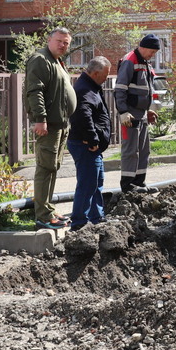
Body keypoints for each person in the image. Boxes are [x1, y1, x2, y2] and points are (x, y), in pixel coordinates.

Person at [24, 27, 77, 229]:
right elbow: (34, 91)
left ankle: (48, 208)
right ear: (49, 40)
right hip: (49, 125)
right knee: (45, 168)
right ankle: (43, 217)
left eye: (66, 43)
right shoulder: (40, 59)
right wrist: (40, 119)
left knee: (53, 166)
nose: (63, 45)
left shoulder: (56, 61)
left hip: (60, 124)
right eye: (60, 41)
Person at [67, 56, 113, 230]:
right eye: (105, 75)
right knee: (87, 184)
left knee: (96, 182)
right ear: (95, 73)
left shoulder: (92, 86)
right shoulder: (84, 90)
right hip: (85, 144)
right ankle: (79, 223)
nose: (107, 78)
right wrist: (93, 139)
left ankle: (96, 218)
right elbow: (82, 116)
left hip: (91, 145)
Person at [114, 34, 160, 191]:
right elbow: (120, 88)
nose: (152, 55)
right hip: (131, 113)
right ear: (144, 47)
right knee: (131, 150)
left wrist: (149, 110)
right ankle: (128, 185)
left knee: (143, 149)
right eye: (152, 52)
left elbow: (146, 89)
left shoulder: (145, 62)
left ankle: (139, 183)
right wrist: (123, 111)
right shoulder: (130, 60)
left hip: (141, 113)